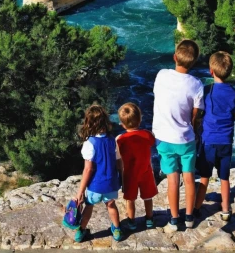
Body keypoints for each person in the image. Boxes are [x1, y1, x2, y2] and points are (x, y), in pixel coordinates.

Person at [152, 39, 204, 232]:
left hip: (164, 138)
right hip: (186, 139)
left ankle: (174, 219)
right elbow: (195, 115)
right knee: (189, 178)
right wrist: (193, 130)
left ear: (175, 57)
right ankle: (189, 217)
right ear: (194, 62)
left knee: (173, 180)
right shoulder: (197, 84)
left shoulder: (161, 75)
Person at [194, 51, 235, 221]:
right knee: (224, 178)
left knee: (205, 177)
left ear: (211, 71)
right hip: (226, 141)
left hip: (209, 142)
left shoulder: (207, 91)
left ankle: (197, 208)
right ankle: (226, 210)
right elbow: (233, 116)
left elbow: (199, 114)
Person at [74, 104, 123, 243]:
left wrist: (80, 191)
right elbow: (119, 162)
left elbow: (88, 169)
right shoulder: (112, 140)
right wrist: (122, 180)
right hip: (111, 183)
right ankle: (117, 230)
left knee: (88, 207)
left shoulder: (90, 143)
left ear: (88, 122)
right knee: (111, 205)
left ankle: (80, 232)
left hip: (96, 185)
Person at [117, 102, 158, 231]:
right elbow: (152, 141)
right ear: (140, 119)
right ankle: (149, 218)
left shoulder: (120, 139)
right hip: (146, 171)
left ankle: (131, 221)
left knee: (130, 199)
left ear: (122, 124)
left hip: (129, 174)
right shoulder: (148, 135)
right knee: (147, 197)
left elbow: (118, 157)